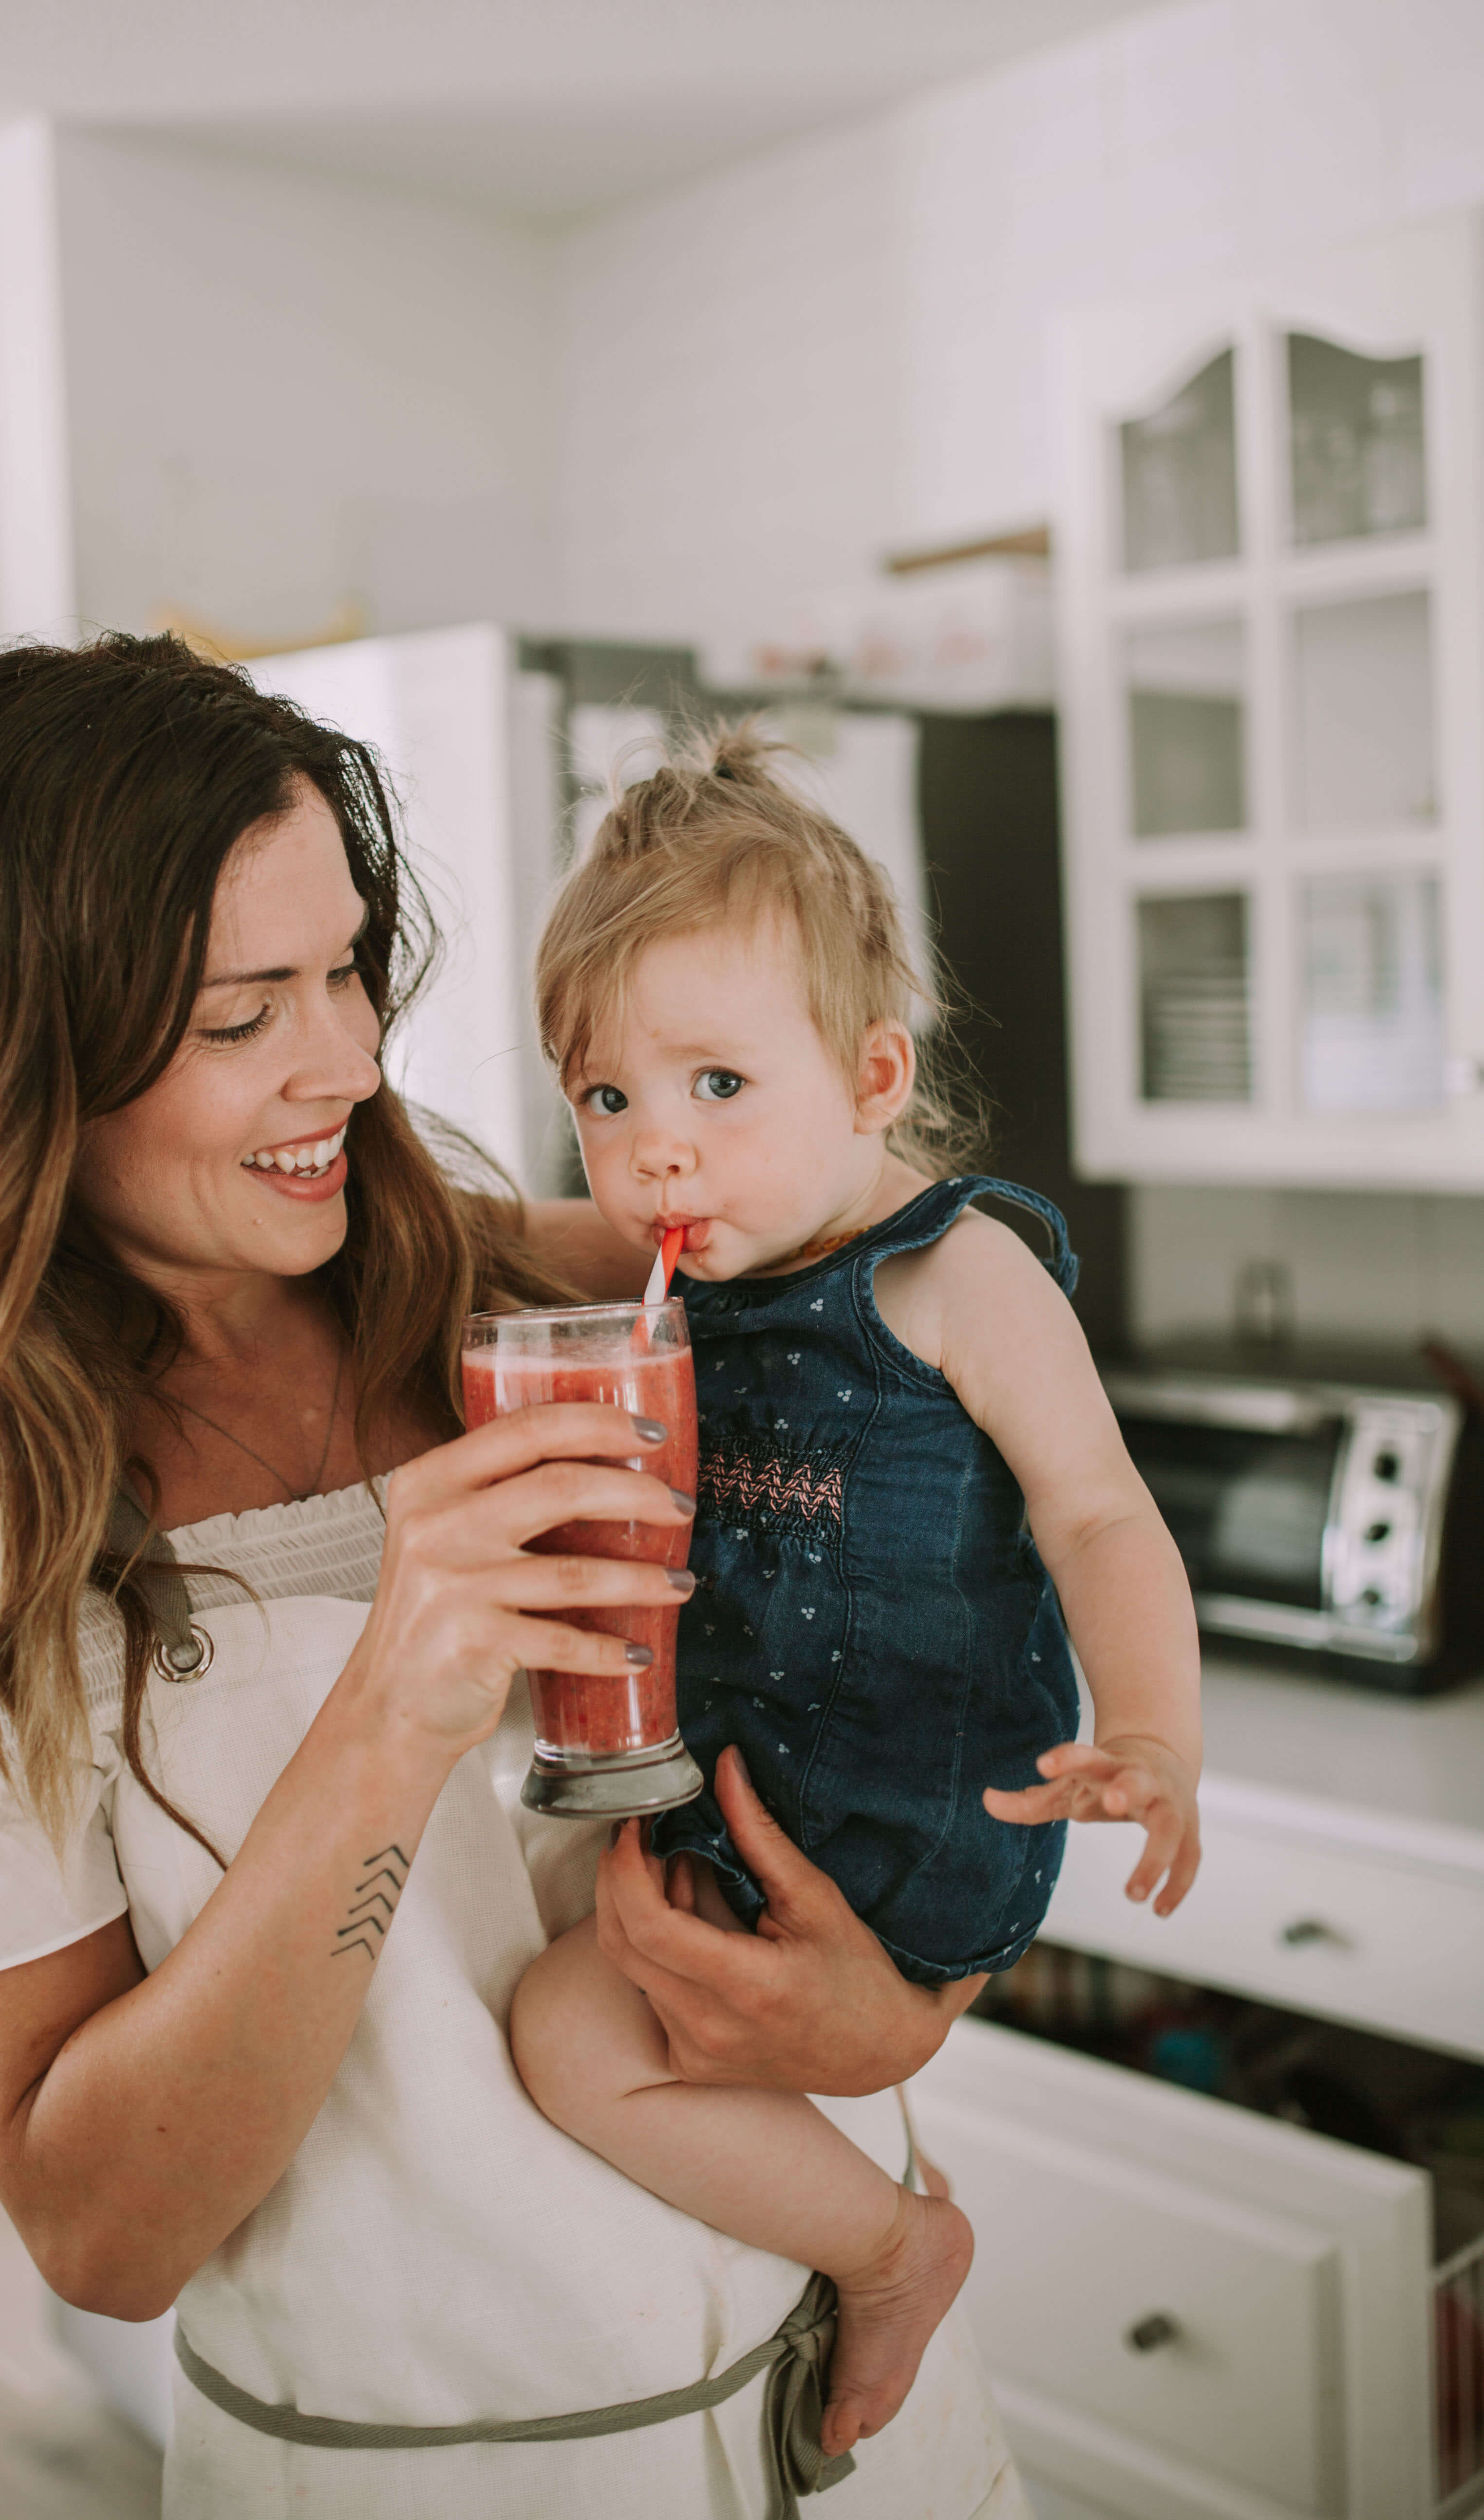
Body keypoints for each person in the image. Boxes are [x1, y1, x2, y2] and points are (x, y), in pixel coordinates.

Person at [0, 636, 1033, 2519]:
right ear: (16, 1065)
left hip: (870, 2422)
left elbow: (942, 1464)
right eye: (241, 1014)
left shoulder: (511, 1287)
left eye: (344, 969)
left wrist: (916, 1996)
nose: (348, 1059)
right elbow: (103, 2233)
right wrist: (394, 1709)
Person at [511, 725, 1203, 2459]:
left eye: (717, 1085)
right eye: (608, 1101)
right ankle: (877, 2221)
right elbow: (473, 1232)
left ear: (875, 1077)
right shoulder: (696, 1248)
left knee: (575, 2038)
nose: (657, 1154)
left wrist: (1156, 1734)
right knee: (565, 2034)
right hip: (743, 1805)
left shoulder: (953, 1270)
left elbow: (1104, 1517)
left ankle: (900, 2254)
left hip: (913, 1821)